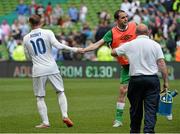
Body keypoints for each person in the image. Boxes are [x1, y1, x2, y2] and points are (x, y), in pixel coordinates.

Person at [23, 14, 82, 128]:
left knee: (40, 97)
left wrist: (36, 58)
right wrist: (74, 49)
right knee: (60, 92)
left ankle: (45, 122)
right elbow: (59, 46)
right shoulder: (48, 32)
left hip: (38, 69)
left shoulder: (26, 38)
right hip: (52, 67)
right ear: (40, 21)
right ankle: (65, 115)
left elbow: (27, 57)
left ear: (30, 23)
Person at [82, 10, 137, 127]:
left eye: (126, 17)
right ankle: (118, 120)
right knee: (123, 91)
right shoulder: (111, 33)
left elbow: (145, 36)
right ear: (116, 20)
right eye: (123, 18)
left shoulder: (134, 26)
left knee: (143, 90)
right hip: (126, 67)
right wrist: (83, 50)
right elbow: (97, 44)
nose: (126, 19)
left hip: (139, 65)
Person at [111, 24, 169, 133]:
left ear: (135, 33)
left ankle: (135, 131)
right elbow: (161, 63)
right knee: (151, 109)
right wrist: (165, 82)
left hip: (135, 80)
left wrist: (122, 48)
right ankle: (148, 131)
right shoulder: (155, 45)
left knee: (135, 109)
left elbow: (113, 52)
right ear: (148, 32)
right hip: (152, 80)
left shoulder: (130, 44)